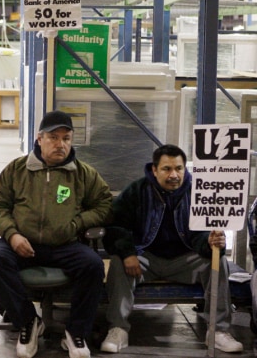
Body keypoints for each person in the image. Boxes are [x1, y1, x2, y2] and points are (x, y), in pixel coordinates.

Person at [0, 110, 113, 358]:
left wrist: (78, 223)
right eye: (54, 137)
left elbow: (104, 204)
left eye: (66, 138)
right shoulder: (17, 170)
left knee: (93, 265)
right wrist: (11, 235)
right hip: (22, 244)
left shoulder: (83, 174)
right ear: (39, 138)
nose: (60, 144)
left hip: (65, 245)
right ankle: (29, 322)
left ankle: (76, 332)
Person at [100, 144, 243, 354]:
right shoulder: (137, 191)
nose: (174, 174)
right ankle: (118, 329)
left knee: (217, 261)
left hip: (185, 260)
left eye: (179, 168)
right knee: (119, 262)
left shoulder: (199, 191)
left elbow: (201, 235)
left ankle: (218, 330)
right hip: (145, 258)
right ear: (154, 170)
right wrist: (128, 253)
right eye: (167, 169)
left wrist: (212, 242)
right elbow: (115, 227)